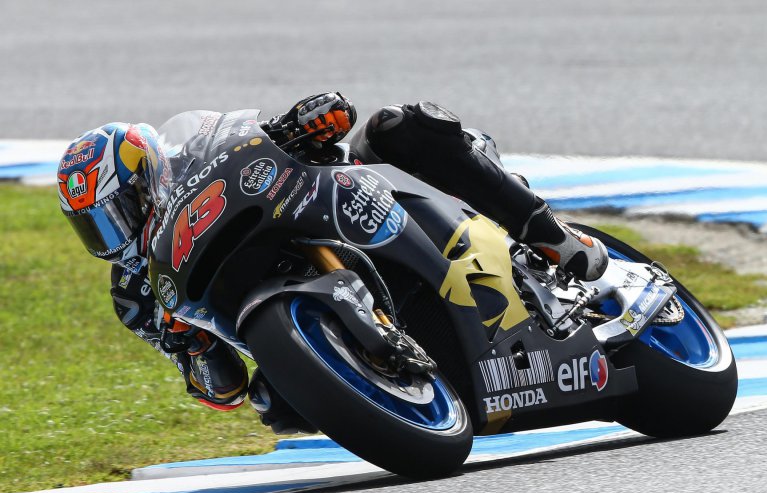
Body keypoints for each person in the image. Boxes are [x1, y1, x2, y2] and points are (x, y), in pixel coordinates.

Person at [56, 93, 608, 434]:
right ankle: (387, 393)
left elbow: (282, 131)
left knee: (399, 126)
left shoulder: (196, 152)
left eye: (119, 211)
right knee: (275, 405)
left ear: (149, 174)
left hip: (320, 208)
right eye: (96, 226)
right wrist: (191, 346)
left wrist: (305, 121)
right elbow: (223, 390)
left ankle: (552, 238)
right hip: (297, 329)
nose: (115, 234)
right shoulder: (137, 296)